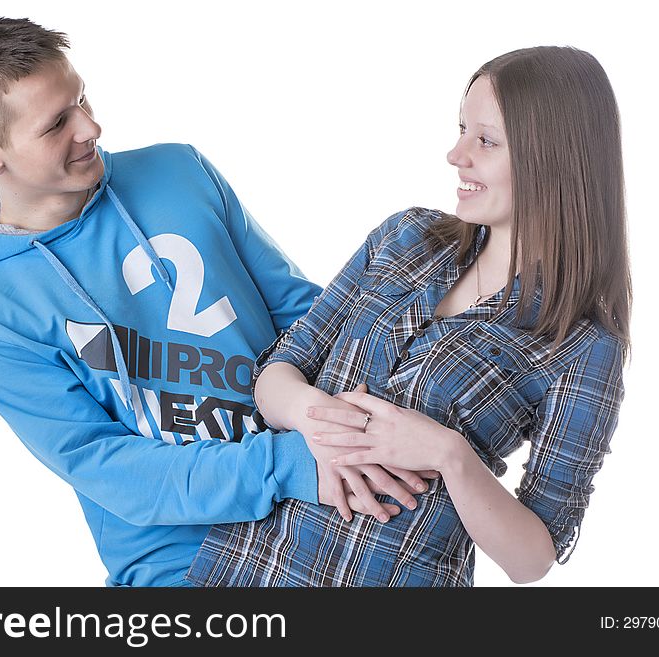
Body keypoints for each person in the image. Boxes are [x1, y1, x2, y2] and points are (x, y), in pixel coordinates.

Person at [0, 17, 428, 587]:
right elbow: (114, 471)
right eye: (57, 123)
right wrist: (292, 465)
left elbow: (304, 316)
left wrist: (351, 423)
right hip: (186, 564)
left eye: (82, 99)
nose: (91, 126)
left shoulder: (177, 171)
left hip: (329, 494)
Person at [186, 46, 631, 587]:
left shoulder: (583, 344)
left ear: (555, 159)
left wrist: (451, 454)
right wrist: (314, 418)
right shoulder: (406, 238)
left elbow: (532, 558)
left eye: (486, 141)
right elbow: (278, 372)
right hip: (245, 572)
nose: (456, 154)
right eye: (462, 129)